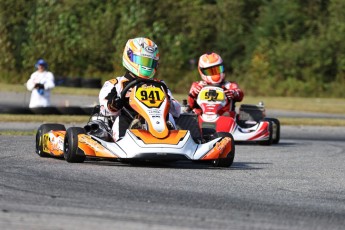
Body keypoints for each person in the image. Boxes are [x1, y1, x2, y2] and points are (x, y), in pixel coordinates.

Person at [98, 37, 181, 141]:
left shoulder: (160, 85)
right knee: (122, 118)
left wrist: (168, 102)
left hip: (158, 121)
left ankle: (171, 138)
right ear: (129, 57)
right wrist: (114, 104)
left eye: (150, 63)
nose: (146, 66)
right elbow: (105, 109)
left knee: (170, 116)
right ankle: (123, 140)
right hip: (128, 120)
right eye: (142, 61)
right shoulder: (115, 84)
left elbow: (177, 111)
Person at [188, 52, 244, 118]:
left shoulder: (230, 85)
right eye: (210, 71)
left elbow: (240, 95)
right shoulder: (197, 85)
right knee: (194, 112)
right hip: (201, 118)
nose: (215, 73)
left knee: (228, 114)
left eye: (217, 69)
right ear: (202, 71)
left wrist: (234, 93)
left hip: (224, 118)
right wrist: (193, 93)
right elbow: (190, 105)